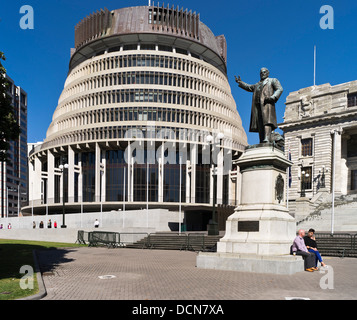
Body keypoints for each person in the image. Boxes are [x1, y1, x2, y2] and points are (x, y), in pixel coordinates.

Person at [235, 68, 283, 143]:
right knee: (259, 123)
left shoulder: (272, 80)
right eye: (261, 73)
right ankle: (261, 140)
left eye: (264, 72)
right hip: (257, 106)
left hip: (267, 104)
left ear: (267, 73)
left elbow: (279, 89)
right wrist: (240, 82)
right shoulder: (257, 84)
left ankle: (267, 138)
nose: (262, 73)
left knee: (267, 121)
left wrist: (273, 97)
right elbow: (249, 87)